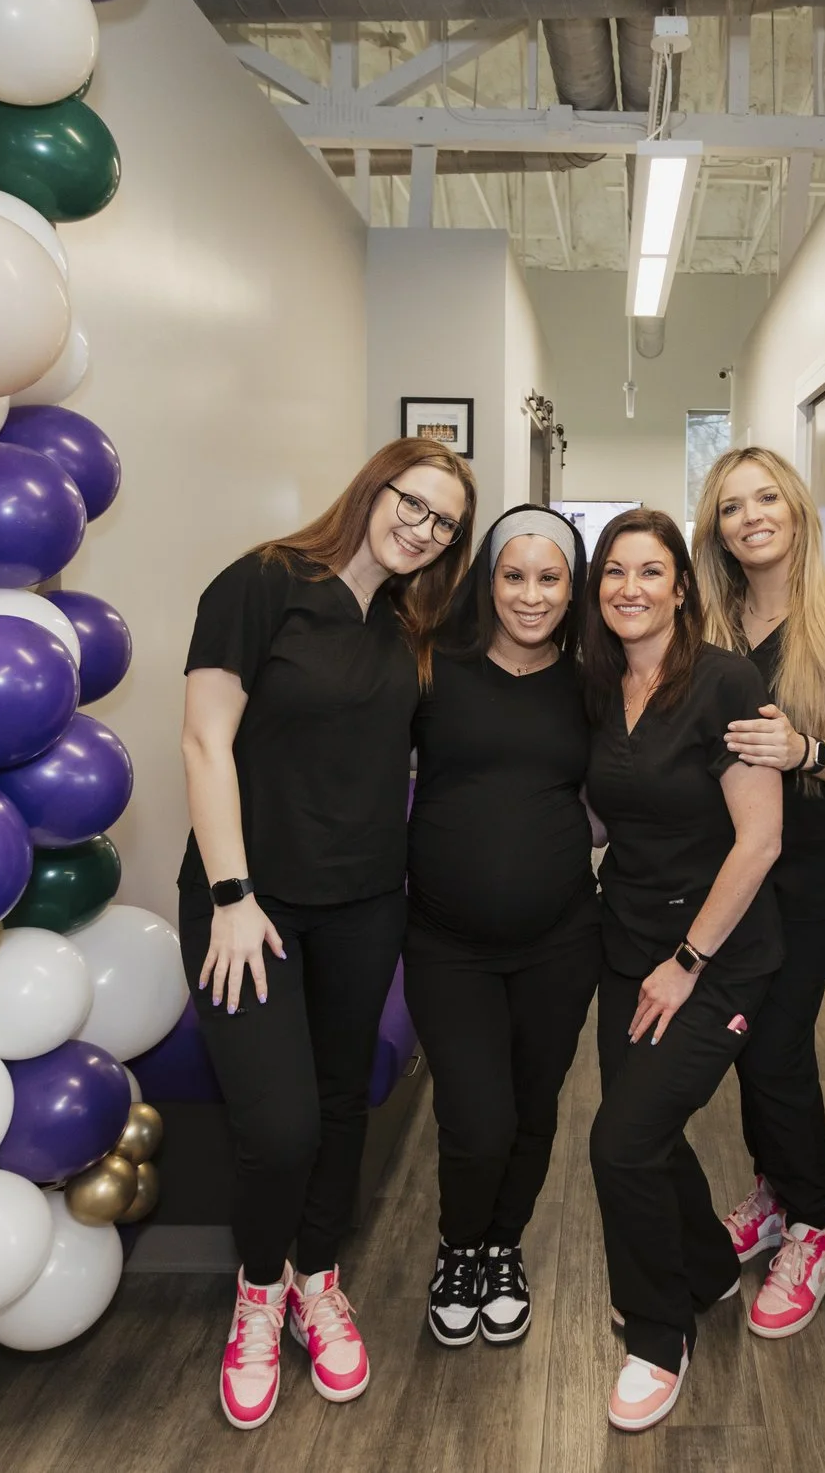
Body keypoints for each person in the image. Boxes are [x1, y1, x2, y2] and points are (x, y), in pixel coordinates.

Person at [179, 438, 475, 1431]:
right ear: (372, 486)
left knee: (343, 1105)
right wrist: (230, 891)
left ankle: (318, 1275)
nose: (421, 528)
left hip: (363, 902)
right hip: (248, 906)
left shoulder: (410, 623)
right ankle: (258, 1295)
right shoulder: (265, 581)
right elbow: (204, 738)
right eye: (413, 502)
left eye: (442, 523)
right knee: (279, 1124)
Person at [691, 448, 825, 1340]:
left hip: (811, 869)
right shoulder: (703, 619)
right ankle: (777, 1195)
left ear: (797, 508)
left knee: (775, 1040)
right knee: (748, 1044)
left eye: (766, 497)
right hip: (720, 868)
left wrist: (806, 752)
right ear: (716, 526)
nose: (751, 516)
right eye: (732, 505)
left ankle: (813, 1226)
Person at [581, 508, 784, 1433]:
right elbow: (605, 813)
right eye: (614, 571)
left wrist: (688, 962)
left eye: (650, 572)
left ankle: (660, 1337)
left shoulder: (726, 681)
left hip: (716, 955)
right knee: (644, 1132)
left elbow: (761, 838)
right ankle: (702, 1267)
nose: (630, 587)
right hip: (624, 944)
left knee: (620, 1143)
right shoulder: (597, 684)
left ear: (680, 587)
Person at [403, 505, 598, 1349]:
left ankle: (501, 1247)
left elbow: (621, 793)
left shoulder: (592, 682)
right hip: (448, 944)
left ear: (572, 585)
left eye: (549, 576)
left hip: (560, 940)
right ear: (488, 581)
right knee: (475, 1118)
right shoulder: (432, 669)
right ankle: (457, 1246)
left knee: (532, 1108)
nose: (530, 594)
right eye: (513, 576)